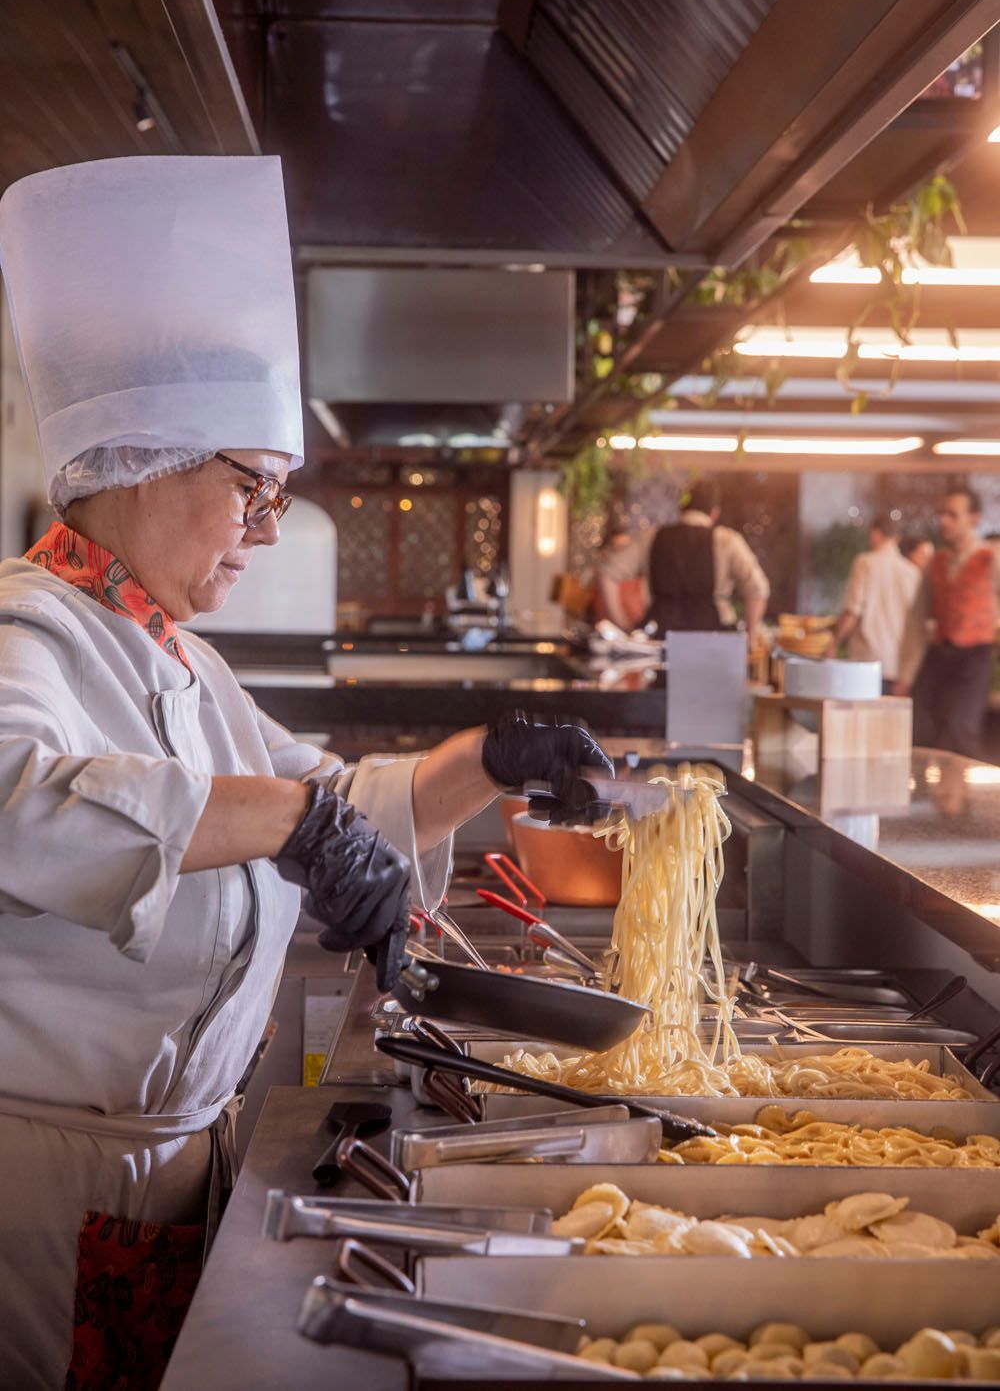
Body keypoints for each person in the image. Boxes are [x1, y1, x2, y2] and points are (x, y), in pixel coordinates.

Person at [0, 156, 611, 1391]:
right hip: (46, 1190)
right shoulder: (32, 629)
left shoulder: (175, 654)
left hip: (163, 1171)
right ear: (150, 460)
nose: (265, 530)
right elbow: (17, 807)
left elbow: (333, 802)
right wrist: (293, 823)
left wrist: (486, 759)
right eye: (254, 491)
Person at [897, 484, 1000, 758]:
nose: (943, 520)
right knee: (925, 729)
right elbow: (916, 621)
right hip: (939, 654)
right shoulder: (937, 562)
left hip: (975, 656)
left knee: (959, 728)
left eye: (952, 515)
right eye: (941, 514)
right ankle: (937, 796)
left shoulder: (991, 558)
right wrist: (904, 677)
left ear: (974, 519)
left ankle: (969, 798)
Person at [640, 478, 769, 642]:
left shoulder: (652, 536)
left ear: (682, 508)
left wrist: (623, 625)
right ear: (714, 512)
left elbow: (608, 573)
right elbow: (758, 589)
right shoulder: (727, 540)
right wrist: (750, 637)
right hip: (716, 640)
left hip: (662, 637)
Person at [825, 513, 920, 691]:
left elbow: (853, 611)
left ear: (875, 533)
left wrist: (833, 643)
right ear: (896, 537)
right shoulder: (911, 572)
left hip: (866, 662)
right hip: (896, 665)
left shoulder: (865, 563)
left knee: (862, 717)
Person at [592, 519, 649, 632]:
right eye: (618, 550)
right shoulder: (605, 580)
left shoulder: (642, 581)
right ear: (606, 552)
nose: (623, 557)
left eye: (626, 550)